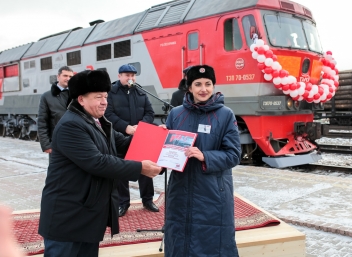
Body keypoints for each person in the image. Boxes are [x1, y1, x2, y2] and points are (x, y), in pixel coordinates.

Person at [38, 70, 162, 257]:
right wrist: (140, 168)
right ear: (81, 99)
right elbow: (98, 162)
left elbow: (123, 143)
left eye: (106, 96)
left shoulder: (98, 121)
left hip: (87, 215)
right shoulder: (70, 125)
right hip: (67, 218)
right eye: (98, 97)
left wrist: (158, 137)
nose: (105, 101)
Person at [163, 65, 241, 257]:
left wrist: (205, 156)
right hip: (180, 191)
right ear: (189, 87)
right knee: (179, 240)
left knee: (213, 244)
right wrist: (159, 141)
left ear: (214, 86)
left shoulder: (225, 115)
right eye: (198, 84)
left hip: (213, 193)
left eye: (208, 84)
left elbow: (233, 155)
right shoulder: (176, 114)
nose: (203, 89)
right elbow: (165, 153)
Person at [104, 64, 158, 216]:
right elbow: (108, 115)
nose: (131, 78)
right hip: (120, 137)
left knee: (145, 168)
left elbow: (150, 112)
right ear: (119, 76)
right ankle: (123, 202)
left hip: (140, 136)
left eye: (133, 75)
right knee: (122, 169)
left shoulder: (141, 91)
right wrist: (126, 127)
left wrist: (141, 126)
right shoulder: (111, 93)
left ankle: (147, 200)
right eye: (127, 75)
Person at [37, 66, 74, 155]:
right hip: (56, 142)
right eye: (65, 76)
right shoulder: (46, 96)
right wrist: (46, 145)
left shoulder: (77, 95)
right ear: (58, 76)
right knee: (57, 169)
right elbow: (42, 121)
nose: (68, 79)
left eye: (70, 77)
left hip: (75, 140)